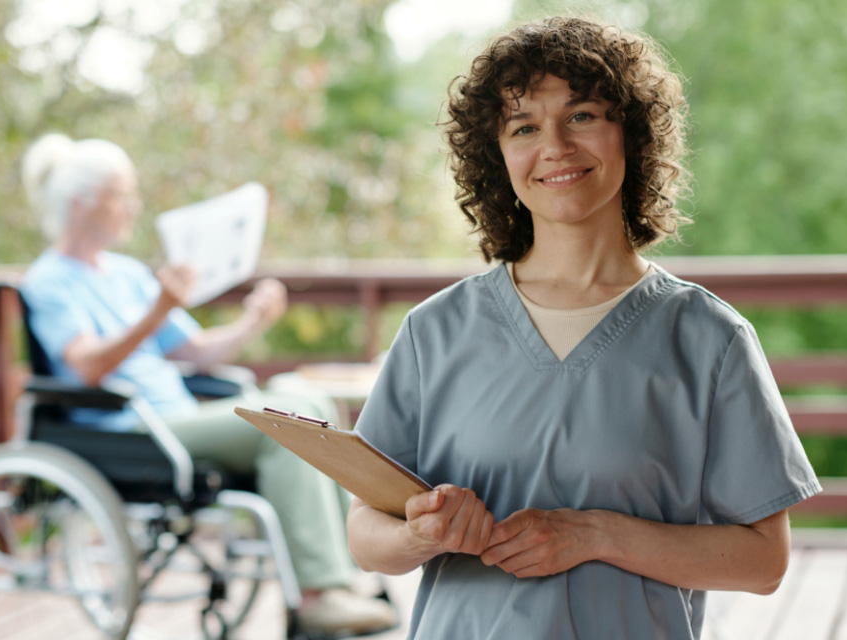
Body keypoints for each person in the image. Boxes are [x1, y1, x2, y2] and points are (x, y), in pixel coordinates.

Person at [346, 16, 821, 639]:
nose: (556, 146)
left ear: (631, 133)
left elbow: (764, 561)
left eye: (583, 115)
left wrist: (596, 535)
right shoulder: (433, 331)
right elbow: (365, 533)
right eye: (524, 126)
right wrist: (420, 535)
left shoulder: (709, 338)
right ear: (497, 156)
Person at [19, 133, 396, 635]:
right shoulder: (49, 280)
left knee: (314, 402)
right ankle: (316, 595)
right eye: (120, 195)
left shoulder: (127, 274)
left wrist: (253, 321)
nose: (133, 207)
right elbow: (87, 368)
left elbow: (196, 352)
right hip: (132, 430)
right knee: (287, 428)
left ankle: (346, 576)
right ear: (80, 204)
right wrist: (157, 311)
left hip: (179, 416)